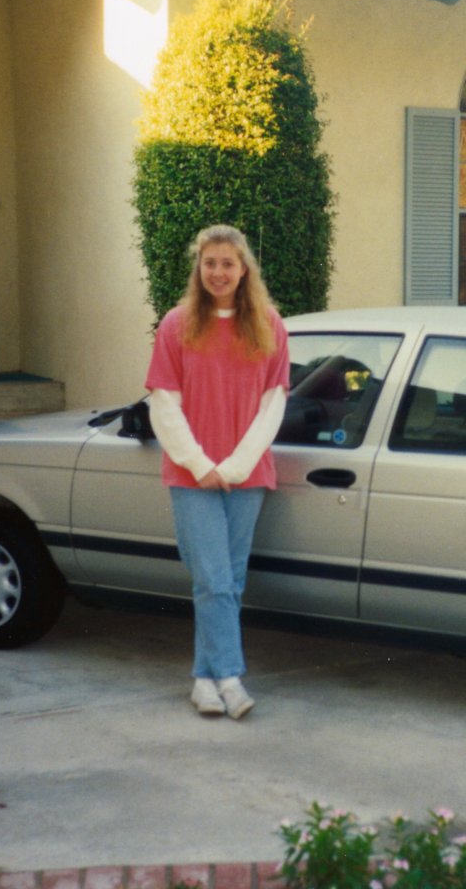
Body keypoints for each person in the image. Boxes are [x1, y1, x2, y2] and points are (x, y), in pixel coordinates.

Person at [144, 224, 289, 720]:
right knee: (212, 579)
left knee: (229, 580)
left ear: (243, 268)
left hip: (248, 474)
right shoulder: (177, 324)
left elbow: (274, 404)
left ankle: (204, 681)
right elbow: (164, 405)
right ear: (198, 268)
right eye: (210, 263)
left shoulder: (269, 324)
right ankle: (230, 675)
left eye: (228, 263)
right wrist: (203, 465)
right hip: (191, 477)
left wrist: (236, 465)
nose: (219, 272)